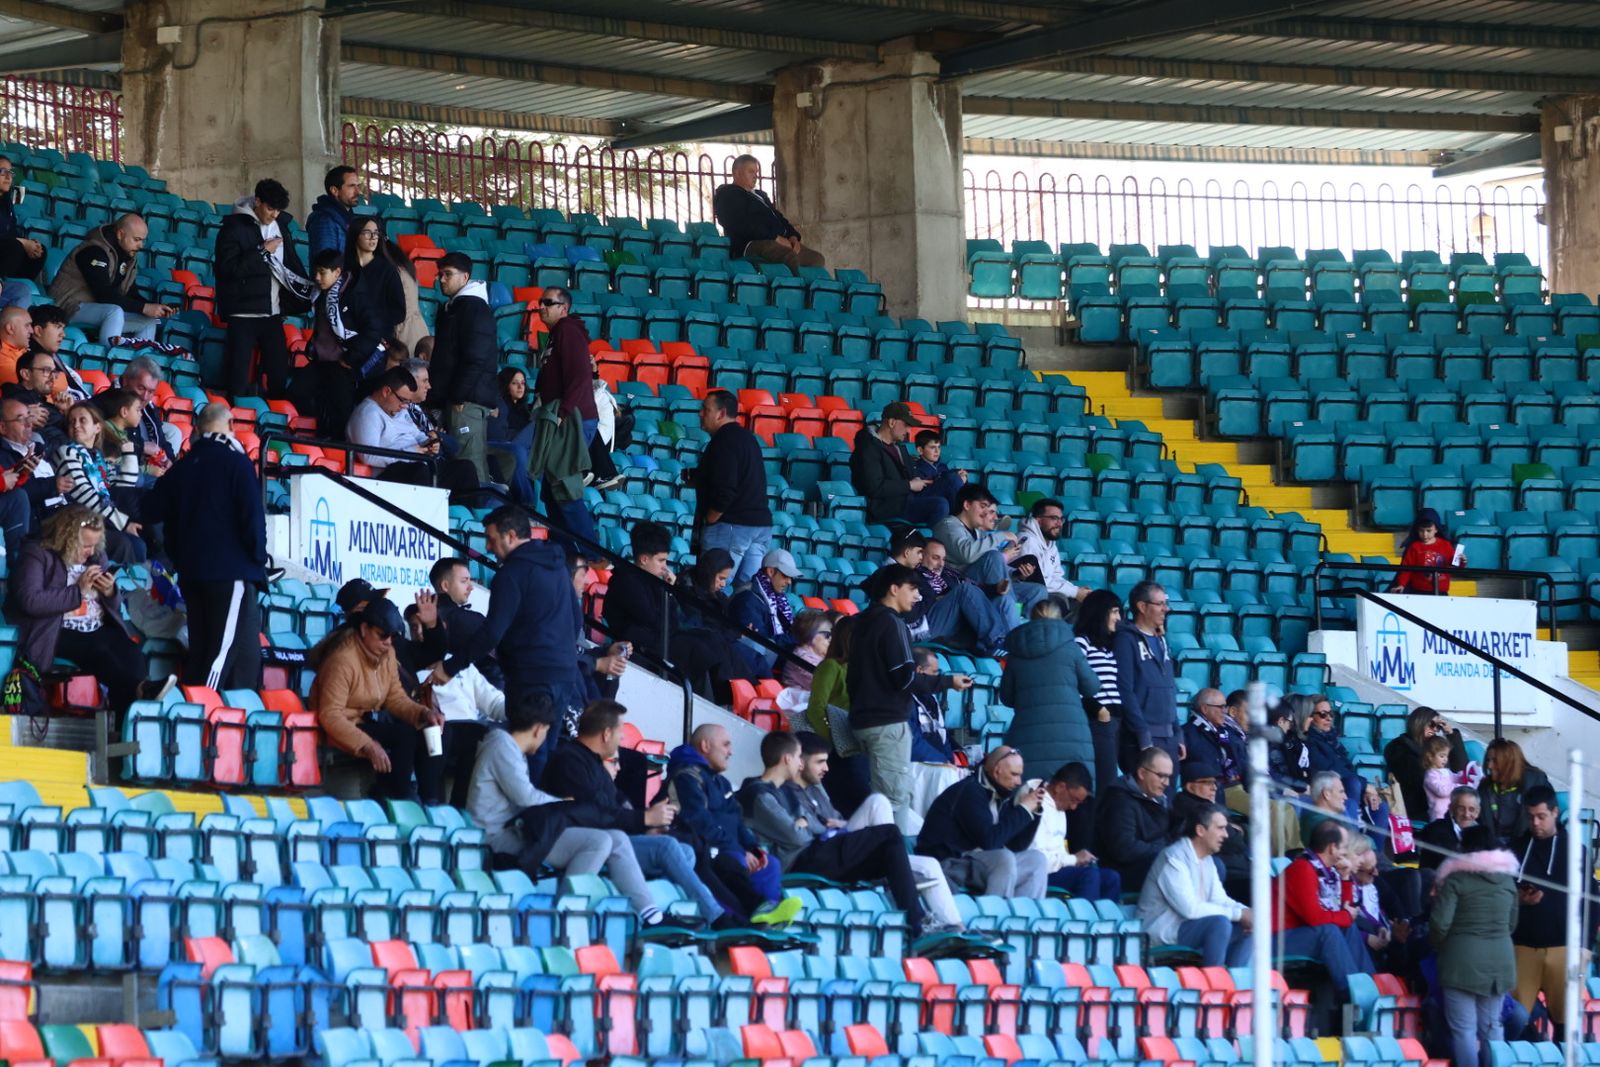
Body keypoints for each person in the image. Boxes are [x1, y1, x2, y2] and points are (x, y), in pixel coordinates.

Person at [467, 692, 678, 929]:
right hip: (497, 836)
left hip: (520, 830)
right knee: (597, 842)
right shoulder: (501, 745)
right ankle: (563, 917)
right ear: (539, 729)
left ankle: (651, 915)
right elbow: (526, 797)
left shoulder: (510, 749)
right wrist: (564, 802)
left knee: (616, 838)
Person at [540, 700, 732, 927]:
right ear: (606, 734)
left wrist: (649, 824)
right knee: (668, 848)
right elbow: (595, 815)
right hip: (585, 842)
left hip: (612, 838)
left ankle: (656, 908)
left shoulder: (592, 762)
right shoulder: (569, 761)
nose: (622, 740)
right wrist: (644, 819)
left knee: (685, 851)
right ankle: (713, 916)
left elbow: (616, 807)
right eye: (621, 733)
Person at [740, 731, 927, 935]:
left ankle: (914, 924)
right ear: (787, 759)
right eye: (797, 757)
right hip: (800, 860)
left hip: (818, 852)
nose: (800, 764)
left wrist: (806, 822)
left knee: (888, 852)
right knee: (889, 833)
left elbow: (809, 823)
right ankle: (915, 919)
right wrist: (807, 825)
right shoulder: (760, 794)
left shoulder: (785, 790)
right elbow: (799, 836)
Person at [140, 403, 267, 691]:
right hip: (230, 572)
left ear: (196, 429)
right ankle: (195, 708)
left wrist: (180, 554)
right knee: (222, 653)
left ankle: (194, 710)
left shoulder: (183, 467)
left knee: (201, 649)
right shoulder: (238, 463)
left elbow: (150, 510)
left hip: (192, 573)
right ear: (231, 425)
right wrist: (257, 560)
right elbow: (253, 519)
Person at [789, 732, 964, 931]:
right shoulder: (786, 792)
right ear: (800, 761)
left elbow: (831, 821)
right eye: (820, 762)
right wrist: (822, 826)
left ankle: (955, 927)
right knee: (888, 830)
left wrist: (838, 823)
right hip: (824, 855)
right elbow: (798, 831)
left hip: (842, 845)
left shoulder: (814, 790)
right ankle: (904, 888)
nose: (826, 768)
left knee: (929, 863)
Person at [433, 504, 585, 716]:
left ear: (511, 536)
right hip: (566, 675)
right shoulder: (558, 567)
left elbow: (493, 632)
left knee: (524, 747)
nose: (487, 547)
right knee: (548, 747)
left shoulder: (510, 575)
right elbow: (576, 619)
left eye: (491, 539)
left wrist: (451, 667)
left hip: (530, 678)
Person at [5, 506, 151, 710]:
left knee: (132, 652)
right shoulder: (36, 553)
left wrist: (110, 592)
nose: (91, 551)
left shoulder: (96, 556)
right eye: (85, 545)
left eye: (95, 545)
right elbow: (30, 601)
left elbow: (113, 607)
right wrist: (78, 591)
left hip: (96, 627)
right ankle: (141, 691)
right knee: (100, 651)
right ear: (67, 538)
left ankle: (129, 712)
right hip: (55, 632)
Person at [311, 597, 444, 800]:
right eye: (383, 635)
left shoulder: (387, 654)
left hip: (368, 722)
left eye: (392, 636)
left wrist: (424, 712)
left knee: (433, 730)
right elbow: (330, 716)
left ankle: (430, 802)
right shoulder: (342, 660)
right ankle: (396, 800)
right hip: (344, 727)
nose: (388, 642)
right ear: (364, 629)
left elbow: (396, 698)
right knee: (404, 736)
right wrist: (368, 744)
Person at [666, 724, 800, 923]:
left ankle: (770, 916)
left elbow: (736, 820)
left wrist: (752, 848)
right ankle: (750, 919)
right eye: (726, 745)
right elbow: (699, 823)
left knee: (770, 864)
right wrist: (737, 849)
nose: (731, 752)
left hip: (730, 848)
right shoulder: (686, 777)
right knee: (731, 861)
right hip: (707, 851)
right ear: (705, 745)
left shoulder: (722, 782)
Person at [602, 520, 743, 697]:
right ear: (644, 559)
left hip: (661, 636)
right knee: (699, 647)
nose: (665, 566)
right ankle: (715, 698)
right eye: (661, 560)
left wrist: (671, 589)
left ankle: (729, 696)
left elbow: (674, 616)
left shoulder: (651, 579)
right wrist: (666, 592)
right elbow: (653, 619)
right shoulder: (626, 579)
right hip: (642, 643)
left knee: (712, 638)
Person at [1431, 824, 1521, 1067]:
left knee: (1464, 1031)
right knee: (1492, 1027)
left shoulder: (1456, 879)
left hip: (1460, 963)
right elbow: (1512, 923)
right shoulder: (1508, 881)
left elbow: (1440, 924)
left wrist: (1440, 946)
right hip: (1500, 963)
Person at [215, 178, 311, 399]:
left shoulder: (282, 227)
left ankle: (275, 423)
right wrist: (262, 251)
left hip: (273, 313)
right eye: (270, 208)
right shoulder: (232, 228)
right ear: (257, 201)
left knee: (278, 373)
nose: (274, 214)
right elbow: (228, 268)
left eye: (278, 210)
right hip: (242, 313)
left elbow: (288, 266)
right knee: (237, 377)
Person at [1511, 785, 1591, 1039]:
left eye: (1541, 816)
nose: (1535, 823)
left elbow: (1592, 901)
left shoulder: (1576, 851)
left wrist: (1586, 946)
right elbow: (1502, 892)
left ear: (1555, 813)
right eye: (1531, 816)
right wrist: (1519, 901)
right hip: (1522, 946)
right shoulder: (1517, 847)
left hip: (1563, 948)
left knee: (1566, 1025)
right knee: (1514, 1020)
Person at [916, 746, 1047, 897]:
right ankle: (997, 915)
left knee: (1037, 860)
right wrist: (1023, 809)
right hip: (949, 863)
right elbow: (990, 842)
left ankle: (1024, 918)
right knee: (1003, 859)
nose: (1019, 782)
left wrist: (1033, 810)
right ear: (997, 770)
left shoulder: (1000, 795)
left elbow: (1015, 846)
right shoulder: (970, 791)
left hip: (977, 863)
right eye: (1014, 774)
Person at [847, 563, 921, 827]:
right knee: (892, 801)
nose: (917, 596)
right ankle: (891, 862)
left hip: (863, 721)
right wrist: (945, 682)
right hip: (886, 724)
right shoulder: (891, 622)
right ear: (893, 589)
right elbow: (905, 677)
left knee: (880, 801)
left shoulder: (863, 621)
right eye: (912, 589)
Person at [1000, 596, 1104, 781]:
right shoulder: (1070, 648)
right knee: (1072, 800)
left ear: (1031, 618)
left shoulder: (1016, 653)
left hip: (1027, 736)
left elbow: (1006, 698)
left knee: (1029, 801)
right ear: (1060, 618)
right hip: (1072, 738)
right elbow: (1092, 687)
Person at [1139, 803, 1253, 967]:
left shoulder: (1207, 859)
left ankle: (1233, 983)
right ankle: (1215, 985)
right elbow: (1190, 909)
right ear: (1200, 830)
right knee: (1220, 924)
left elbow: (1219, 899)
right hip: (1158, 932)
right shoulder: (1173, 858)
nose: (1226, 835)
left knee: (1250, 927)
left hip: (1185, 928)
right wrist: (1238, 914)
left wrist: (1246, 912)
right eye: (1220, 828)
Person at [1272, 820, 1374, 994]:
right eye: (1344, 846)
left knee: (1348, 929)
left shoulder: (1329, 871)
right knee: (1328, 931)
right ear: (1332, 848)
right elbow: (1315, 918)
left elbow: (1344, 910)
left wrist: (1346, 877)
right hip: (1277, 939)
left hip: (1302, 934)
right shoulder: (1302, 868)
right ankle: (1353, 995)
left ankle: (1370, 986)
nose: (1346, 851)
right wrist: (1346, 916)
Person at [49, 214, 175, 343]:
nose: (141, 246)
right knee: (114, 311)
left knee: (149, 320)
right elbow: (103, 294)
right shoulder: (94, 250)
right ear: (120, 234)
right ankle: (109, 358)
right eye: (137, 239)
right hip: (68, 307)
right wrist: (144, 307)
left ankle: (138, 360)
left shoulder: (127, 257)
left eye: (143, 240)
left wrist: (156, 308)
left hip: (98, 310)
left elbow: (131, 294)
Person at [430, 252, 498, 485]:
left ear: (466, 277)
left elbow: (476, 358)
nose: (442, 279)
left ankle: (477, 514)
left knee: (469, 462)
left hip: (464, 400)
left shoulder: (474, 308)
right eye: (440, 274)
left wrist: (459, 395)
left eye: (448, 274)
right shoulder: (456, 307)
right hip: (456, 397)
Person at [932, 484, 1048, 619]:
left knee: (1037, 591)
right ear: (967, 505)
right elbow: (968, 554)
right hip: (960, 586)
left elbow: (993, 569)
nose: (986, 512)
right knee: (994, 558)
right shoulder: (948, 525)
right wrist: (1002, 535)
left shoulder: (977, 533)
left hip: (984, 585)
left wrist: (1017, 574)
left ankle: (1029, 634)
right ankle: (1009, 627)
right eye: (982, 506)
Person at [693, 389, 771, 585]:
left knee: (713, 587)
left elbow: (726, 489)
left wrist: (711, 517)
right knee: (745, 592)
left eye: (705, 409)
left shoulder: (723, 441)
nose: (700, 413)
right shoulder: (748, 438)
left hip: (732, 526)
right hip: (759, 526)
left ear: (720, 414)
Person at [55, 400, 144, 564]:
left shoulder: (97, 457)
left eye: (82, 420)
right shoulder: (67, 451)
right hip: (79, 520)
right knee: (129, 544)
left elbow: (124, 487)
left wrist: (129, 452)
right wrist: (124, 524)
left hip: (102, 518)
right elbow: (84, 494)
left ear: (97, 427)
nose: (75, 425)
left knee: (143, 534)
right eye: (72, 422)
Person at [900, 531, 1010, 657]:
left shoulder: (949, 575)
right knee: (964, 590)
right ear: (921, 556)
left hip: (950, 623)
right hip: (924, 625)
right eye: (935, 558)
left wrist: (995, 589)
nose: (941, 564)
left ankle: (991, 644)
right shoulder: (913, 575)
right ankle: (995, 640)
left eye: (943, 559)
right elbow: (910, 610)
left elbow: (974, 593)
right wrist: (936, 599)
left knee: (1000, 598)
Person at [1112, 580, 1179, 784]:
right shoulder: (1125, 640)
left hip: (1168, 737)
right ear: (1142, 607)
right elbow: (1124, 689)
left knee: (1165, 804)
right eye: (1159, 604)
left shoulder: (1161, 640)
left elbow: (1170, 689)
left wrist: (1177, 732)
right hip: (1141, 738)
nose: (1166, 609)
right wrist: (1142, 732)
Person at [711, 154, 823, 270]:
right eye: (751, 172)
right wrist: (775, 238)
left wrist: (793, 236)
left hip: (777, 240)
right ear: (738, 173)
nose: (755, 176)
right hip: (751, 244)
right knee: (789, 257)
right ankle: (794, 287)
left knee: (816, 259)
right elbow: (744, 224)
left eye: (756, 172)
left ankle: (812, 287)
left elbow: (779, 217)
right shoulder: (728, 195)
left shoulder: (760, 195)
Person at [850, 402, 949, 526]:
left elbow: (912, 476)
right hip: (888, 507)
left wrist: (922, 480)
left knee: (951, 482)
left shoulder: (898, 447)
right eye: (906, 425)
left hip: (908, 498)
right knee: (940, 505)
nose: (909, 430)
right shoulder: (868, 448)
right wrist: (909, 485)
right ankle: (936, 543)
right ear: (892, 422)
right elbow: (874, 487)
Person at [1033, 762, 1121, 901]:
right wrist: (1074, 859)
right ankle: (1087, 922)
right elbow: (1038, 860)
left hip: (1058, 868)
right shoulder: (1037, 805)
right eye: (1074, 800)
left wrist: (1077, 861)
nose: (1073, 807)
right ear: (1060, 787)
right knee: (1089, 876)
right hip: (1040, 874)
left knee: (1111, 878)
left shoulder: (1060, 808)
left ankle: (1108, 922)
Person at [1095, 745, 1174, 893]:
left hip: (1153, 865)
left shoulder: (1160, 800)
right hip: (1125, 872)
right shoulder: (1119, 801)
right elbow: (1124, 848)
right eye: (1161, 775)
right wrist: (1166, 851)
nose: (1167, 783)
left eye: (1169, 777)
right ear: (1142, 773)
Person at [1171, 759, 1250, 899]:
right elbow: (1234, 842)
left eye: (1215, 783)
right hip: (1229, 879)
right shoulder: (1195, 810)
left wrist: (1238, 830)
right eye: (1207, 783)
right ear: (1190, 787)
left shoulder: (1207, 806)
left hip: (1237, 872)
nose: (1214, 787)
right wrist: (1238, 831)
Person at [340, 216, 406, 381]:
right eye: (367, 232)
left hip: (377, 342)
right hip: (347, 342)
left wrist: (374, 322)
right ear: (355, 235)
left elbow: (399, 311)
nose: (373, 237)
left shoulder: (387, 270)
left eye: (376, 233)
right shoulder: (344, 267)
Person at [1073, 588, 1125, 792]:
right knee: (1106, 781)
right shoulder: (1081, 641)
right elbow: (1075, 680)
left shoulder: (1109, 646)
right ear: (1100, 612)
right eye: (1114, 612)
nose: (1118, 618)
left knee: (1111, 780)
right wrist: (1098, 710)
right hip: (1098, 720)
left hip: (1116, 721)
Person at [534, 285, 598, 440]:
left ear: (563, 308)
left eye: (548, 302)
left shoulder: (567, 330)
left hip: (573, 419)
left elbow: (579, 376)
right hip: (562, 416)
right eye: (541, 301)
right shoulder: (557, 332)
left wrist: (563, 414)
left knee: (523, 451)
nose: (541, 306)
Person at [1384, 704, 1467, 820]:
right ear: (1419, 723)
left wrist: (1451, 735)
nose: (1435, 729)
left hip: (1445, 805)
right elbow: (1418, 777)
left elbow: (1461, 768)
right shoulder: (1398, 747)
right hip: (1419, 806)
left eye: (1438, 726)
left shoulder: (1435, 747)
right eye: (1432, 725)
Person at [1012, 497, 1091, 602]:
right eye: (1054, 518)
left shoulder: (1050, 543)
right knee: (1065, 601)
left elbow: (1056, 576)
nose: (1059, 524)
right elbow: (1039, 581)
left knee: (1090, 600)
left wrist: (1077, 590)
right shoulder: (1028, 541)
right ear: (1038, 520)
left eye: (1061, 519)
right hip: (1026, 595)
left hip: (1044, 592)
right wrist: (1075, 592)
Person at [1479, 737, 1550, 845]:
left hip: (1529, 847)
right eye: (1488, 760)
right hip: (1494, 850)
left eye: (1495, 761)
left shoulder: (1536, 781)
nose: (1489, 766)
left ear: (1509, 762)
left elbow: (1549, 820)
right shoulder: (1484, 787)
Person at [118, 356, 182, 468]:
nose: (145, 397)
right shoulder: (111, 403)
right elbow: (110, 443)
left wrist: (169, 459)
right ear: (125, 381)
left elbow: (160, 438)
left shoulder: (149, 407)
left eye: (151, 391)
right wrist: (142, 446)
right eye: (141, 388)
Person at [487, 367, 537, 504]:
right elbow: (495, 434)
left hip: (521, 445)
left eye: (523, 382)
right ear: (506, 385)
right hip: (503, 443)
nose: (520, 386)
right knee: (540, 425)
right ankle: (528, 503)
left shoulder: (525, 410)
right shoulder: (500, 404)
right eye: (515, 383)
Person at [728, 547, 798, 645]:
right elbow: (764, 642)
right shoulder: (748, 600)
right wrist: (800, 640)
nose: (789, 582)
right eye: (785, 575)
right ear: (771, 572)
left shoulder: (777, 597)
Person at [909, 647, 966, 763]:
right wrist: (943, 762)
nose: (938, 676)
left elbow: (942, 733)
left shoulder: (931, 698)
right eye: (935, 672)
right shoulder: (905, 701)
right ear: (920, 670)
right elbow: (914, 744)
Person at [0, 155, 44, 303]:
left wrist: (30, 244)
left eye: (10, 173)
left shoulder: (6, 201)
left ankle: (20, 284)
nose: (8, 177)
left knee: (40, 250)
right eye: (2, 171)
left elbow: (10, 231)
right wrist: (22, 242)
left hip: (5, 252)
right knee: (16, 246)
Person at [1183, 688, 1247, 790]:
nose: (1225, 711)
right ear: (1205, 709)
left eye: (1225, 706)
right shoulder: (1188, 734)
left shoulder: (1224, 733)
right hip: (1204, 795)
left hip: (1231, 790)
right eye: (1221, 707)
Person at [1390, 507, 1461, 595]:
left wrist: (1461, 561)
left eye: (1428, 531)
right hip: (1418, 592)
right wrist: (1401, 584)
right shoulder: (1414, 547)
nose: (1425, 534)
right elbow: (1406, 569)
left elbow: (1455, 565)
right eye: (1421, 531)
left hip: (1441, 592)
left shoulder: (1446, 545)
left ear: (1436, 529)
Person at [1416, 785, 1482, 870]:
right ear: (1451, 808)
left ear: (1478, 812)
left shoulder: (1484, 836)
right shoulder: (1434, 831)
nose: (1466, 814)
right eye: (1461, 809)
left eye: (1471, 809)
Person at [308, 165, 361, 259]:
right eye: (351, 186)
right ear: (335, 190)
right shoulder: (324, 220)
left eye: (358, 186)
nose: (358, 192)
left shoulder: (348, 217)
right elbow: (326, 263)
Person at [910, 430, 966, 510]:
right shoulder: (915, 468)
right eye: (932, 447)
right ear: (920, 450)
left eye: (939, 447)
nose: (937, 451)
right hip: (926, 504)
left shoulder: (943, 467)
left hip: (947, 504)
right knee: (953, 479)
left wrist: (962, 479)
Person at [780, 610, 832, 692]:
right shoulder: (801, 661)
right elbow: (830, 688)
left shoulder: (817, 657)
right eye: (827, 635)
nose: (831, 639)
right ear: (812, 636)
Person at [1422, 735, 1468, 822]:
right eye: (1442, 756)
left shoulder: (1446, 771)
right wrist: (1459, 787)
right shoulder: (1430, 775)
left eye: (1446, 756)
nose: (1445, 759)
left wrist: (1464, 775)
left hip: (1451, 811)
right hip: (1438, 814)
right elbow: (1441, 791)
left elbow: (1455, 778)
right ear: (1430, 756)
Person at [1300, 771, 1349, 845]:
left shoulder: (1312, 818)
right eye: (1341, 792)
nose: (1346, 797)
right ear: (1327, 794)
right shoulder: (1324, 825)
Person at [0, 306, 30, 386]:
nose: (31, 330)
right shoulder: (3, 361)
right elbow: (27, 393)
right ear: (10, 329)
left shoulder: (22, 350)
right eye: (27, 326)